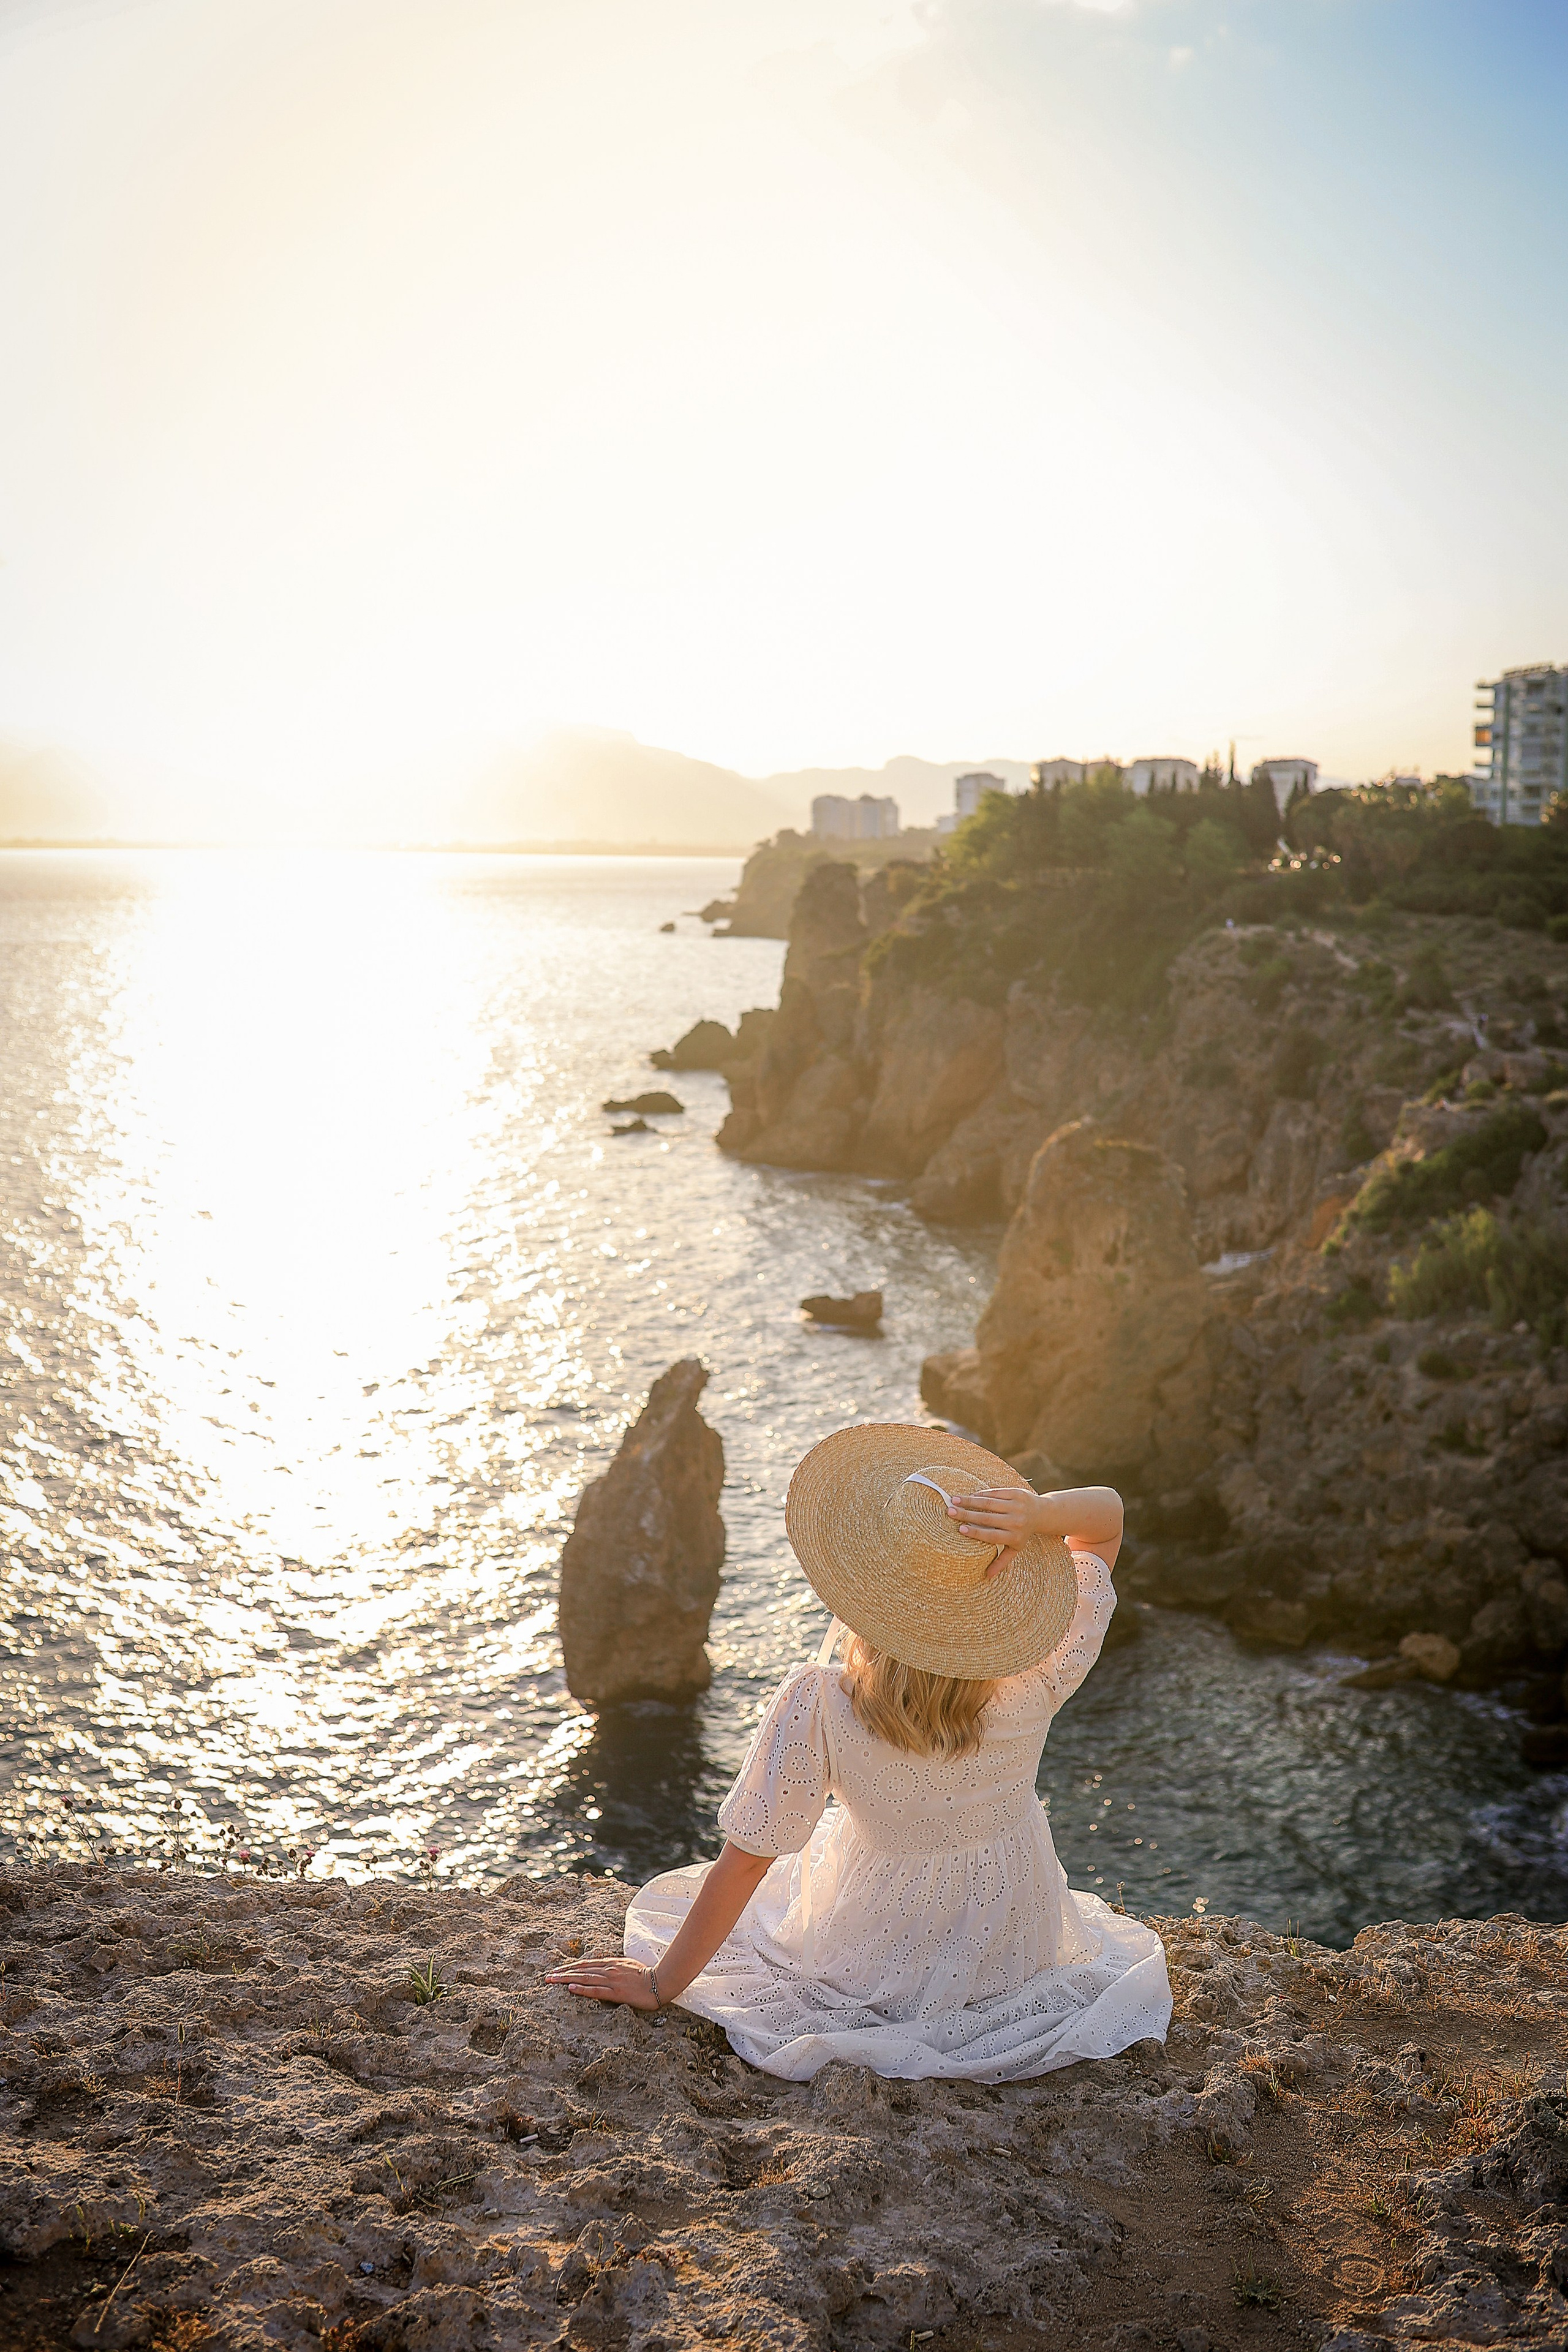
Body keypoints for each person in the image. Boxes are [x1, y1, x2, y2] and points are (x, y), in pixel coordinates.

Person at [547, 1422, 1172, 2081]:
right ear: (995, 1600)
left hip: (878, 1950)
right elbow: (1104, 1521)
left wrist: (659, 1983)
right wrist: (1039, 1513)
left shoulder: (822, 1702)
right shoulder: (1039, 1673)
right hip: (1014, 1940)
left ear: (867, 1591)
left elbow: (746, 1864)